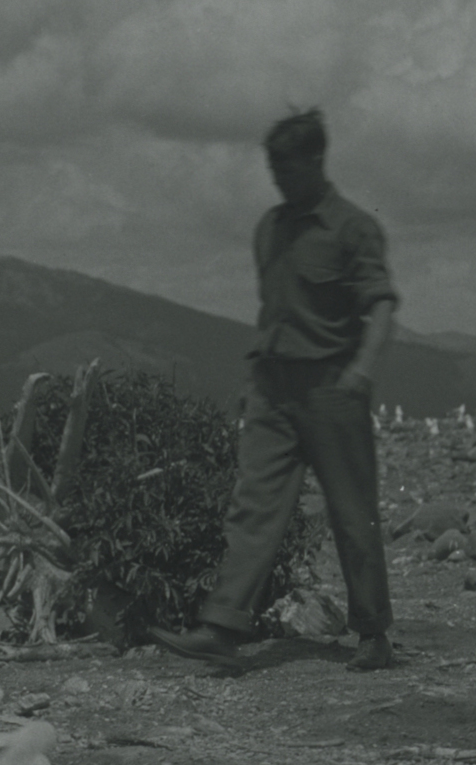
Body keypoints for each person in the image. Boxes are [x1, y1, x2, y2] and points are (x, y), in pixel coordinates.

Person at [150, 108, 399, 673]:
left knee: (352, 515)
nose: (277, 178)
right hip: (273, 389)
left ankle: (374, 635)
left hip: (333, 387)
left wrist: (362, 370)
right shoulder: (270, 228)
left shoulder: (354, 227)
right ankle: (222, 629)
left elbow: (380, 304)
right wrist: (255, 385)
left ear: (315, 160)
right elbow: (273, 312)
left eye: (286, 167)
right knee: (253, 508)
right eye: (271, 167)